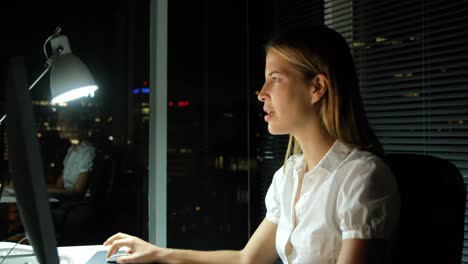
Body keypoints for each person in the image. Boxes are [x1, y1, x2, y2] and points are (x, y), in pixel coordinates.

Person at [103, 25, 400, 264]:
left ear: (317, 87)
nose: (261, 93)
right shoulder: (289, 176)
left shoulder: (361, 178)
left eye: (276, 79)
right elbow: (248, 258)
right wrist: (157, 253)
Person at [48, 109, 95, 199]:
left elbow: (78, 192)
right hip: (67, 204)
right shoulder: (71, 151)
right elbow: (59, 186)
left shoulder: (87, 152)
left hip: (77, 207)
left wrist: (42, 191)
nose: (58, 125)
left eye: (62, 121)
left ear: (75, 125)